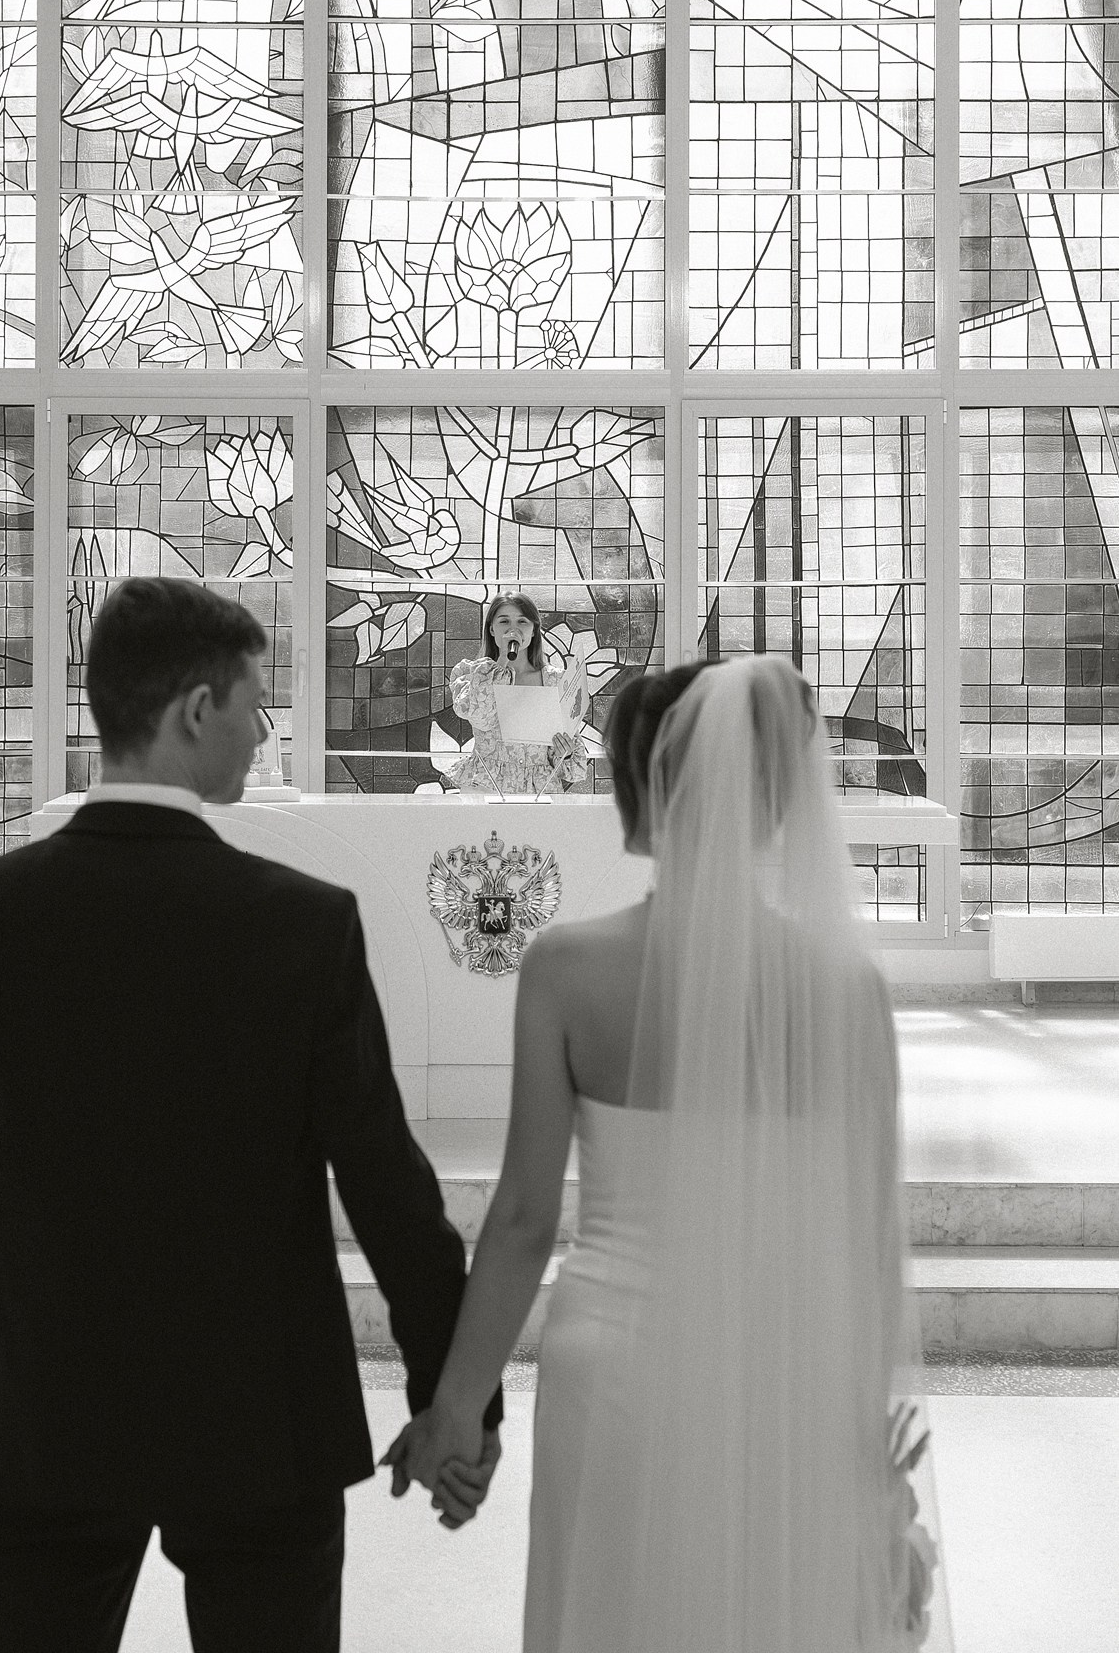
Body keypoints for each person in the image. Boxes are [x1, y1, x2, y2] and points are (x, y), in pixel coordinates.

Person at [0, 577, 500, 1653]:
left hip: (42, 1404)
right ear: (195, 708)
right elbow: (385, 1186)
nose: (263, 732)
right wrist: (456, 1401)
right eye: (255, 703)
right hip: (260, 1415)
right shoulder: (300, 927)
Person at [387, 654, 951, 1652]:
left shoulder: (567, 968)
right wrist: (860, 1422)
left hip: (614, 1371)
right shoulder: (846, 989)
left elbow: (521, 1221)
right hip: (784, 1368)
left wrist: (456, 1409)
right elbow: (867, 1241)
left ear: (643, 793)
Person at [444, 594, 588, 795]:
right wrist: (502, 659)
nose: (513, 629)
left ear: (534, 629)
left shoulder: (556, 681)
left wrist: (565, 752)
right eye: (504, 621)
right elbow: (480, 716)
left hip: (538, 792)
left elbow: (573, 764)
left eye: (522, 621)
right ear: (491, 629)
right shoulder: (473, 675)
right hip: (486, 787)